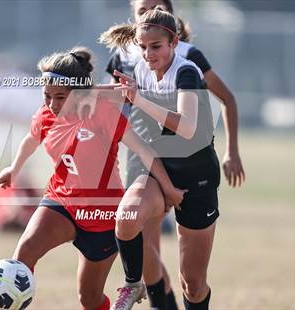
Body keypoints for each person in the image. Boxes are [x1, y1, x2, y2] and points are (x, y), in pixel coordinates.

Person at [0, 47, 184, 310]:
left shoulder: (103, 113)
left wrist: (169, 190)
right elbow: (31, 139)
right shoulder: (46, 115)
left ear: (81, 93)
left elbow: (144, 150)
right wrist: (13, 169)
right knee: (24, 252)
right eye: (47, 96)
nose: (52, 104)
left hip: (103, 216)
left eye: (60, 97)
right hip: (61, 202)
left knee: (89, 299)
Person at [97, 7, 239, 310]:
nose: (148, 54)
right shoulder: (140, 73)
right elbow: (142, 137)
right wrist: (77, 91)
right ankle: (134, 284)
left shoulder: (186, 71)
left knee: (193, 283)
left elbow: (187, 127)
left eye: (156, 46)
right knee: (126, 217)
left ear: (174, 43)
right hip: (160, 172)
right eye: (143, 47)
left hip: (197, 179)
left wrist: (139, 98)